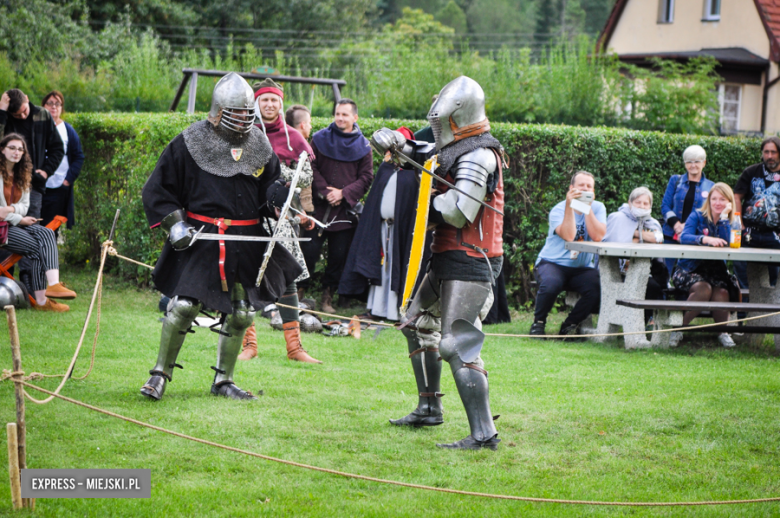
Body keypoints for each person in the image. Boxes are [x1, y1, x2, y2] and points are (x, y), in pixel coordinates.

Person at [139, 73, 303, 401]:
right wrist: (175, 224)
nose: (244, 118)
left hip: (246, 239)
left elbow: (268, 184)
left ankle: (223, 381)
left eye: (247, 112)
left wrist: (277, 195)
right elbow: (158, 188)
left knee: (243, 311)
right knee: (184, 306)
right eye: (237, 112)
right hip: (203, 237)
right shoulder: (190, 141)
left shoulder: (258, 142)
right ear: (219, 110)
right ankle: (159, 375)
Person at [371, 75, 505, 450]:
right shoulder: (453, 147)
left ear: (458, 119)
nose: (437, 130)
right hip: (447, 257)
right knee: (413, 324)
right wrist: (392, 140)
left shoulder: (479, 154)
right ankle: (429, 408)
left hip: (472, 261)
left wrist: (420, 199)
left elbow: (460, 212)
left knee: (456, 344)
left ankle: (484, 434)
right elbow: (414, 147)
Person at [236, 78, 320, 364]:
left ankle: (295, 348)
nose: (269, 104)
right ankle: (249, 344)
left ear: (280, 104)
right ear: (256, 103)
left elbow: (306, 177)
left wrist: (277, 173)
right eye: (264, 100)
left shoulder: (295, 138)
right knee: (245, 276)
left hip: (281, 217)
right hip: (246, 216)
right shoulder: (242, 133)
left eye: (274, 100)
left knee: (287, 279)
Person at [339, 127, 431, 321]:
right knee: (382, 269)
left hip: (403, 232)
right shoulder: (386, 168)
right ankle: (378, 309)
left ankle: (399, 311)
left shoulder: (416, 170)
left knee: (400, 268)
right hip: (382, 230)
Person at [300, 98, 373, 313]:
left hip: (344, 211)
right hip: (318, 208)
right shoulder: (320, 138)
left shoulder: (364, 146)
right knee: (308, 251)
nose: (340, 118)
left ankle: (327, 297)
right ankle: (299, 292)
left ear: (355, 118)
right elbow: (310, 166)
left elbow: (367, 176)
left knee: (338, 257)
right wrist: (324, 191)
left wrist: (343, 193)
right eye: (338, 114)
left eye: (345, 114)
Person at [0, 133, 76, 311]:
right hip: (3, 228)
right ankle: (41, 302)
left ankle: (54, 285)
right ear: (2, 150)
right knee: (36, 248)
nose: (16, 152)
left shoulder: (23, 175)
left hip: (12, 223)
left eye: (20, 149)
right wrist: (18, 217)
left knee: (47, 233)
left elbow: (24, 206)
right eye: (12, 148)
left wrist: (11, 211)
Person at [530, 171, 606, 339]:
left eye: (589, 186)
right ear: (571, 188)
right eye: (581, 185)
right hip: (552, 263)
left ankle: (569, 325)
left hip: (581, 268)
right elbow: (569, 236)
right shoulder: (558, 209)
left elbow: (598, 236)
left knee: (597, 286)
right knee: (551, 284)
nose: (585, 189)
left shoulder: (598, 208)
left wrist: (587, 209)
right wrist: (571, 206)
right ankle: (538, 323)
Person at [673, 182, 740, 348]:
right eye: (714, 199)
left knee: (723, 292)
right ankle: (678, 329)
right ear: (708, 200)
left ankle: (722, 332)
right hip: (689, 269)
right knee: (704, 289)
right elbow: (684, 237)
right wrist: (704, 239)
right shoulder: (697, 215)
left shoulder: (731, 220)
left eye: (722, 199)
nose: (717, 203)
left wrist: (724, 217)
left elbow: (728, 243)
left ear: (729, 202)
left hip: (715, 272)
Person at [603, 186, 668, 325]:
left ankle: (647, 322)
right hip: (619, 270)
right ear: (630, 202)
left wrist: (635, 234)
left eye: (646, 203)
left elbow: (658, 239)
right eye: (638, 202)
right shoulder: (617, 218)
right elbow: (615, 244)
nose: (642, 206)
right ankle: (635, 323)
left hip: (645, 269)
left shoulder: (652, 222)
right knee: (646, 286)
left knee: (655, 284)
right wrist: (645, 238)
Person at [0, 89, 64, 219]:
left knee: (31, 228)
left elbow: (57, 148)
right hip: (6, 180)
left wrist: (46, 171)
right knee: (5, 227)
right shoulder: (5, 118)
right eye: (18, 115)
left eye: (24, 111)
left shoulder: (43, 115)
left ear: (27, 99)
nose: (23, 116)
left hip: (33, 183)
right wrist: (1, 112)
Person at [733, 136, 780, 289]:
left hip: (774, 234)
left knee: (776, 274)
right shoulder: (751, 172)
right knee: (737, 260)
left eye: (773, 152)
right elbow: (737, 196)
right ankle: (744, 301)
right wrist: (739, 223)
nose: (770, 156)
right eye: (766, 152)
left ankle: (773, 306)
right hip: (748, 232)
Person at [660, 145, 715, 275]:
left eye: (697, 161)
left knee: (688, 276)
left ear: (704, 163)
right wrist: (676, 225)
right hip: (670, 236)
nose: (693, 165)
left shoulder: (711, 186)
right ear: (685, 164)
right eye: (689, 161)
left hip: (693, 238)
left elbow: (708, 212)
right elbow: (665, 206)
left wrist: (687, 226)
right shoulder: (675, 180)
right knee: (663, 275)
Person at [40, 91, 85, 230]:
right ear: (43, 106)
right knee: (36, 225)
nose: (54, 107)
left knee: (52, 228)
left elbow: (78, 156)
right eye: (50, 103)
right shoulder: (37, 128)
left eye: (57, 104)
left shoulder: (67, 130)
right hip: (38, 187)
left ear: (61, 108)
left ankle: (50, 252)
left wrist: (67, 181)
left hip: (58, 187)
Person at [284, 104, 314, 213]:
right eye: (309, 123)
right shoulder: (297, 147)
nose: (310, 127)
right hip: (293, 212)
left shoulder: (284, 143)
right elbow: (293, 184)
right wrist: (301, 212)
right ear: (303, 125)